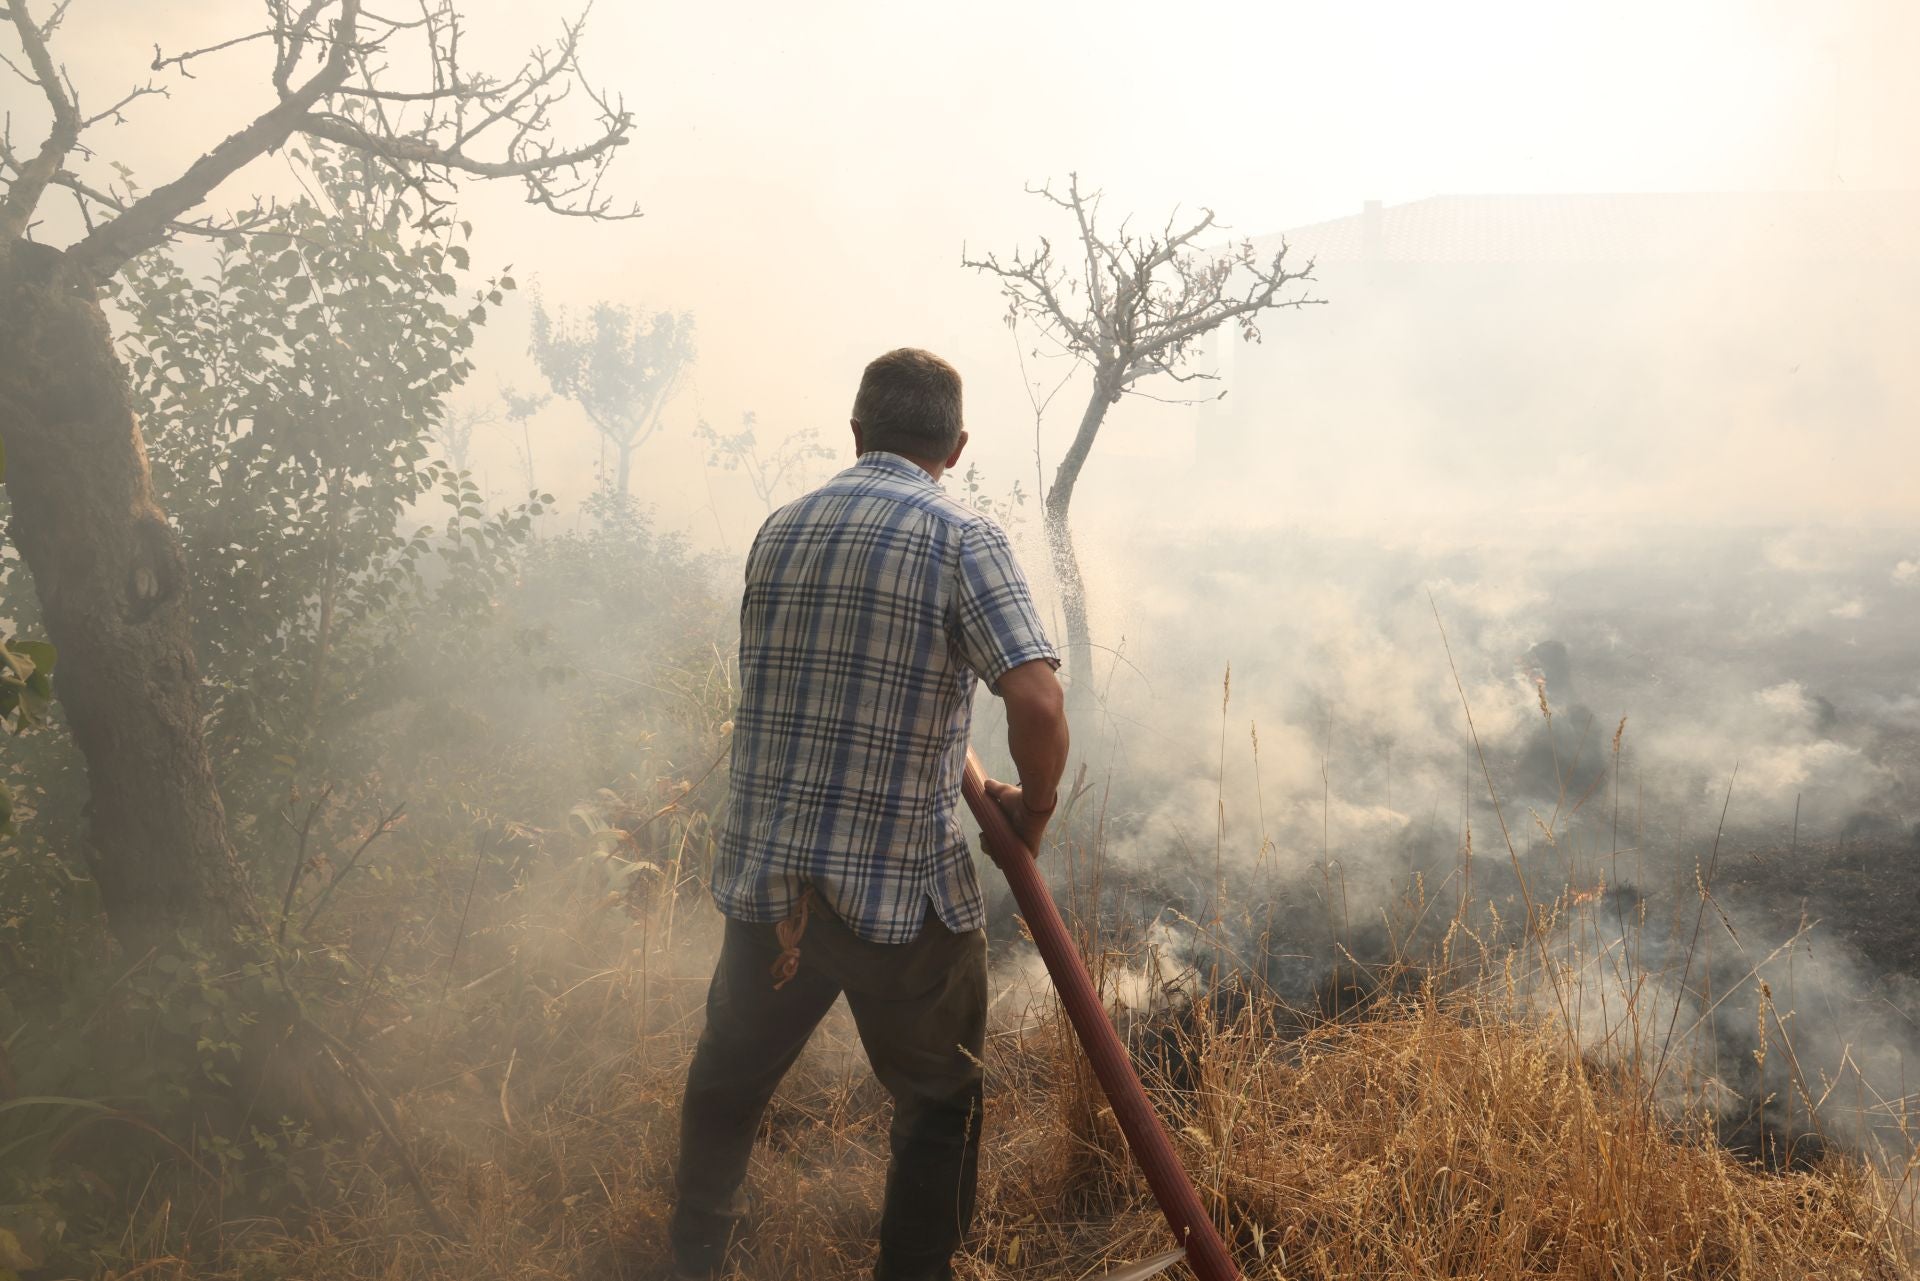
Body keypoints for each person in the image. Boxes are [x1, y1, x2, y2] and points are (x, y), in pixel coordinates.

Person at [668, 348, 1070, 1280]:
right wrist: (1036, 809)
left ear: (856, 433)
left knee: (727, 1080)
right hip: (899, 897)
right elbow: (1039, 701)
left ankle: (692, 1260)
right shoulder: (962, 537)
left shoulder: (781, 528)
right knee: (939, 1101)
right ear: (956, 447)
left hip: (771, 883)